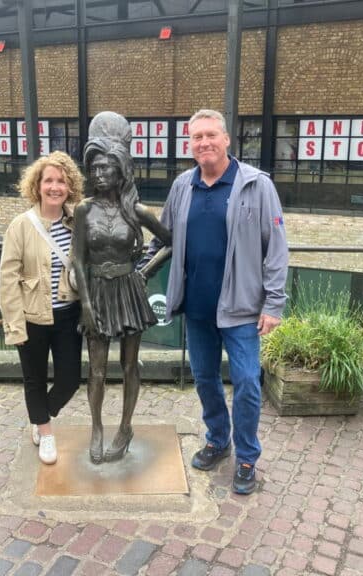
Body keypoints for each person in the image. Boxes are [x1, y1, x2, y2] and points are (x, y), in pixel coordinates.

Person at [147, 109, 288, 494]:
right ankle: (217, 439)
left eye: (211, 135)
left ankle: (247, 456)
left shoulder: (257, 186)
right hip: (197, 307)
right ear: (189, 144)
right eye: (197, 137)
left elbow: (276, 250)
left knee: (246, 382)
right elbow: (163, 237)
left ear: (227, 139)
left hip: (242, 309)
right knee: (205, 378)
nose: (204, 142)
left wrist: (273, 304)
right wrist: (138, 266)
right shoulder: (182, 186)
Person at [72, 115, 171, 465]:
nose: (99, 174)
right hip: (96, 293)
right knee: (97, 369)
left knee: (129, 365)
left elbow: (170, 242)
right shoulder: (83, 210)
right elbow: (77, 261)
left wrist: (145, 271)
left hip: (129, 292)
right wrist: (85, 303)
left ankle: (125, 426)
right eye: (94, 168)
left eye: (106, 168)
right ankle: (96, 427)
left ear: (121, 171)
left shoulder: (136, 210)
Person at [0, 151, 85, 465]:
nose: (55, 186)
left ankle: (40, 415)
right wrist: (14, 324)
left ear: (69, 186)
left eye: (61, 180)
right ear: (37, 185)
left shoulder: (77, 221)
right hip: (32, 316)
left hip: (68, 314)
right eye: (49, 180)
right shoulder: (21, 226)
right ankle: (45, 433)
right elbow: (7, 279)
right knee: (34, 378)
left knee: (70, 379)